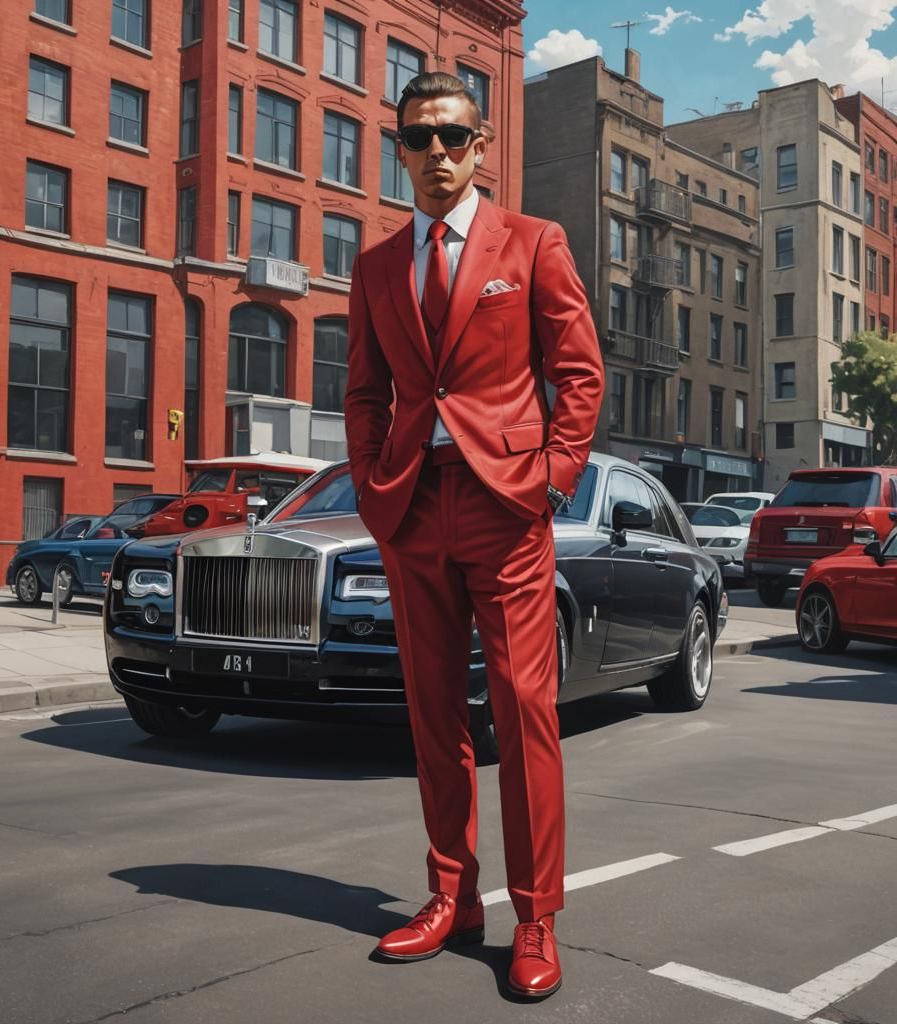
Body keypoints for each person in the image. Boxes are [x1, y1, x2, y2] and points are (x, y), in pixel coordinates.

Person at [343, 72, 604, 999]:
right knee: (432, 711)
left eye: (453, 137)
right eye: (419, 139)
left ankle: (535, 916)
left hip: (507, 507)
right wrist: (374, 490)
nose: (437, 154)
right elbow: (365, 392)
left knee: (525, 708)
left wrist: (551, 481)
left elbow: (579, 373)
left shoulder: (532, 242)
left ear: (481, 146)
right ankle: (451, 897)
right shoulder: (377, 267)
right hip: (414, 507)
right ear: (400, 151)